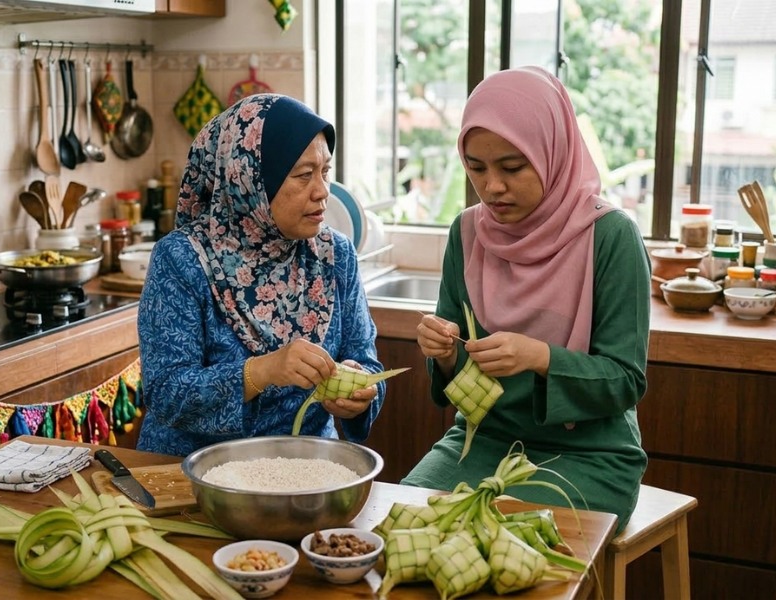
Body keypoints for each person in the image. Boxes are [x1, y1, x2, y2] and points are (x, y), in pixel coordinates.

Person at [404, 66, 650, 533]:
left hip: (589, 455)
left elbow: (625, 380)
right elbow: (459, 375)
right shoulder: (467, 233)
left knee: (495, 546)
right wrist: (442, 353)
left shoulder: (611, 237)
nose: (492, 186)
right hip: (481, 442)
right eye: (476, 168)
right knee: (407, 529)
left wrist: (541, 358)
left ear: (551, 154)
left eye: (513, 167)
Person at [136, 94, 386, 457]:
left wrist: (361, 393)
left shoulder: (335, 254)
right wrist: (262, 371)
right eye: (304, 175)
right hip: (193, 475)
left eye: (325, 171)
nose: (323, 192)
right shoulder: (182, 260)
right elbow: (166, 393)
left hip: (308, 472)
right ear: (250, 180)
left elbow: (366, 361)